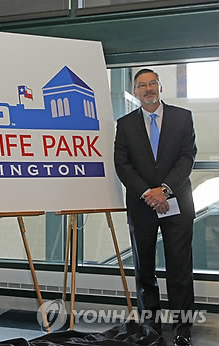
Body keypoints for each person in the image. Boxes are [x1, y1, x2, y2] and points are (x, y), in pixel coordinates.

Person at [114, 68, 196, 346]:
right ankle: (151, 326)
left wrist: (165, 190)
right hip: (141, 205)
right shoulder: (124, 124)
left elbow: (187, 157)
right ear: (135, 91)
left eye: (152, 84)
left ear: (160, 87)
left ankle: (183, 326)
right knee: (144, 268)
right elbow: (122, 165)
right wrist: (148, 193)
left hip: (177, 203)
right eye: (142, 85)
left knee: (179, 268)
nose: (148, 89)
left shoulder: (183, 118)